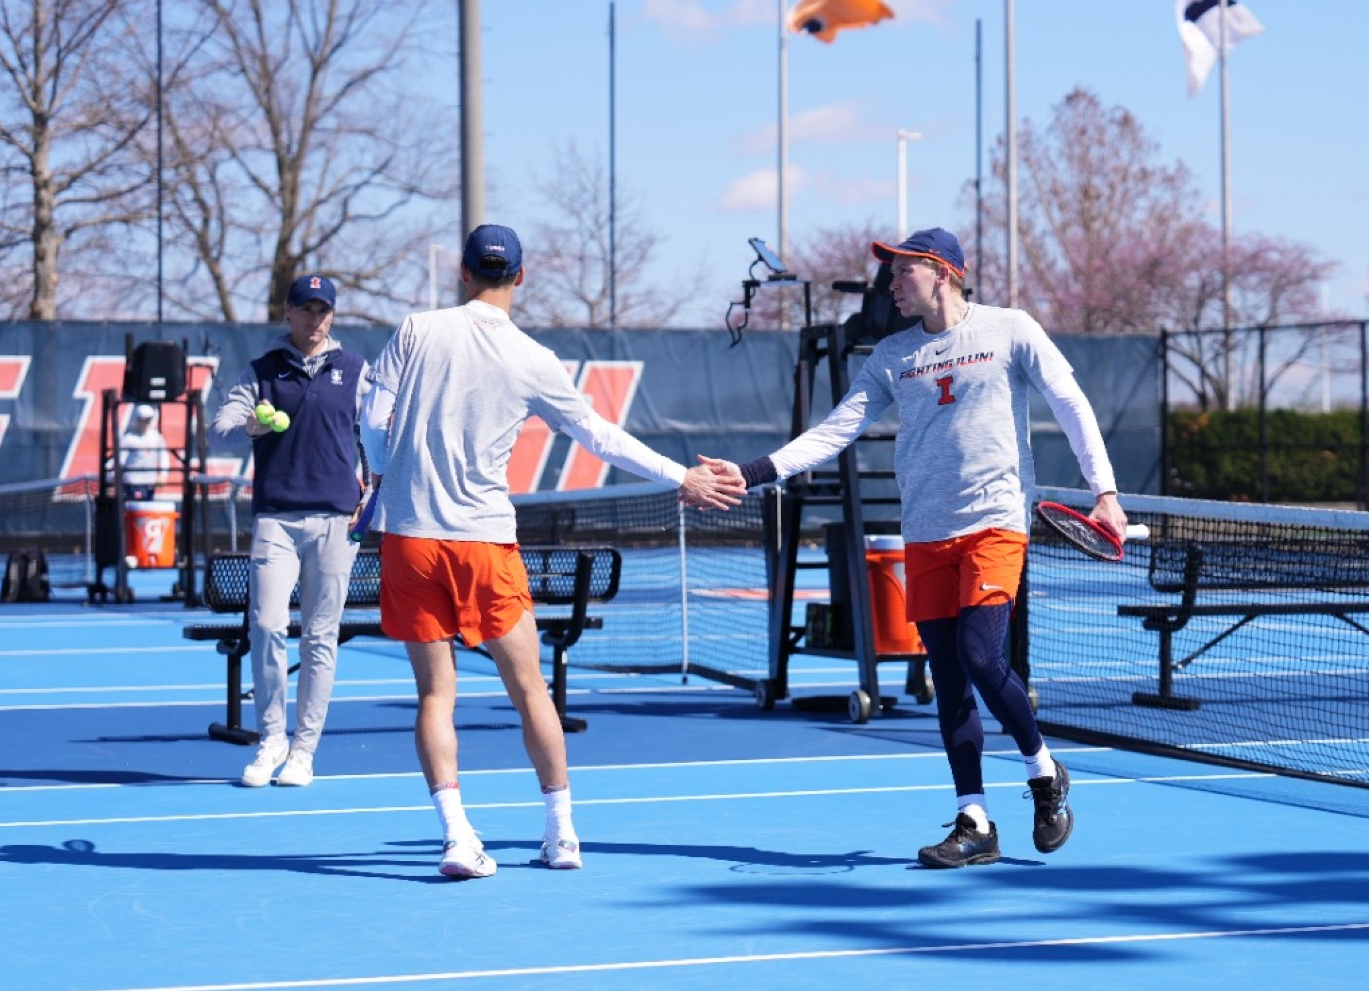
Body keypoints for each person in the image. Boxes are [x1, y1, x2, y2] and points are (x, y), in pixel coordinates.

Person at [708, 227, 1127, 869]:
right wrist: (756, 471)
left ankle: (1043, 772)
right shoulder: (891, 356)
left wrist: (1106, 491)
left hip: (995, 522)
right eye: (891, 274)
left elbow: (1070, 402)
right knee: (950, 679)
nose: (892, 285)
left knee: (982, 657)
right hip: (926, 532)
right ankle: (975, 819)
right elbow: (835, 431)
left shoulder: (1010, 329)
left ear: (941, 272)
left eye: (903, 273)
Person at [361, 223, 746, 879]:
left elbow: (372, 419)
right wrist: (682, 475)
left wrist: (378, 475)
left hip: (412, 537)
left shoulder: (416, 330)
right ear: (521, 276)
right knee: (532, 689)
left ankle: (457, 837)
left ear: (462, 271)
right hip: (485, 541)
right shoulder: (534, 358)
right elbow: (600, 437)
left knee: (435, 695)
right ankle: (561, 832)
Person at [210, 274, 372, 789]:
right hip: (276, 518)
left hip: (335, 520)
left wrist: (372, 493)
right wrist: (251, 424)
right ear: (288, 311)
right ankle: (271, 739)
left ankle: (304, 750)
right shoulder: (262, 371)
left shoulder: (355, 370)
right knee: (267, 626)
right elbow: (221, 424)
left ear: (333, 315)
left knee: (321, 639)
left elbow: (378, 434)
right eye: (306, 308)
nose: (314, 318)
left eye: (323, 310)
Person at [116, 404, 169, 500]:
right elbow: (120, 460)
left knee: (147, 508)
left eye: (148, 420)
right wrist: (115, 477)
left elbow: (163, 456)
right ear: (137, 420)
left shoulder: (156, 437)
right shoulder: (128, 439)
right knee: (134, 507)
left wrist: (163, 475)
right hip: (132, 481)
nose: (146, 423)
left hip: (149, 482)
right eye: (143, 420)